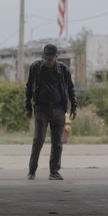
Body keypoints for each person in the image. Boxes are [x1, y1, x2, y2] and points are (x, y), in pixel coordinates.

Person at [25, 44, 78, 180]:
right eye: (46, 58)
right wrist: (28, 107)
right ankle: (32, 171)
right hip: (41, 109)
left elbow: (71, 89)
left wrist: (74, 107)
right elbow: (29, 87)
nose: (48, 61)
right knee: (39, 139)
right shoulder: (35, 68)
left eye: (50, 59)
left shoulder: (64, 70)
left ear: (56, 57)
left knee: (57, 142)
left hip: (58, 109)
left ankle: (54, 171)